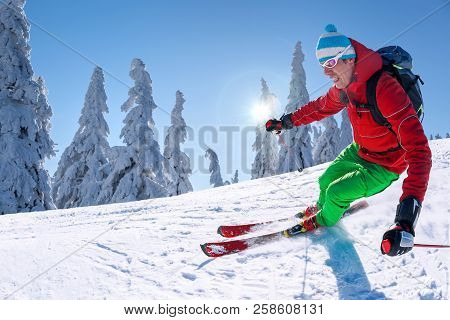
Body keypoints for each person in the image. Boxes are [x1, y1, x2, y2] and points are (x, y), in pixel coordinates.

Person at [265, 24, 432, 256]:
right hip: (360, 151)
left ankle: (324, 220)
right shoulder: (344, 87)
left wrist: (406, 220)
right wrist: (286, 122)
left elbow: (420, 152)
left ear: (350, 59)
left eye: (331, 63)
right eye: (323, 65)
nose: (326, 72)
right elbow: (319, 107)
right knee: (325, 181)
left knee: (335, 192)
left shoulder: (385, 88)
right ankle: (324, 209)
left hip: (385, 165)